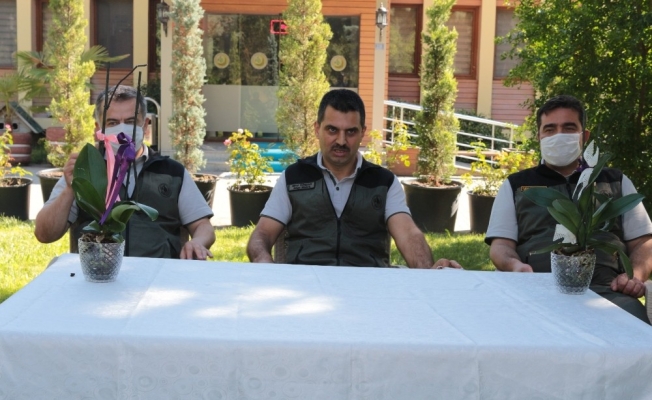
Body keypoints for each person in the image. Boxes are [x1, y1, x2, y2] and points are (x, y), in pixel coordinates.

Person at [247, 89, 461, 269]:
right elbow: (262, 233)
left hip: (369, 287)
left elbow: (409, 234)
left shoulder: (383, 182)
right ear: (317, 129)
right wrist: (263, 259)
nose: (341, 140)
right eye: (332, 130)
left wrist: (429, 271)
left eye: (350, 132)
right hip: (305, 282)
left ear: (362, 132)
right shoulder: (293, 177)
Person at [486, 95, 652, 323]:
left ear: (584, 136)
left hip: (607, 290)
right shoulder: (517, 185)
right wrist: (515, 267)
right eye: (550, 129)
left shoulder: (613, 181)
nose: (559, 135)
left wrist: (634, 276)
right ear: (539, 136)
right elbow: (501, 246)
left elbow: (644, 242)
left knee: (637, 335)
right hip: (535, 289)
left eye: (569, 128)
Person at [34, 85, 215, 260]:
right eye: (112, 123)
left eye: (130, 122)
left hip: (158, 272)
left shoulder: (172, 172)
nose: (122, 130)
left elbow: (203, 225)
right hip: (97, 272)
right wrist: (70, 189)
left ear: (145, 125)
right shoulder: (85, 169)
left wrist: (198, 242)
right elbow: (44, 234)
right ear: (98, 128)